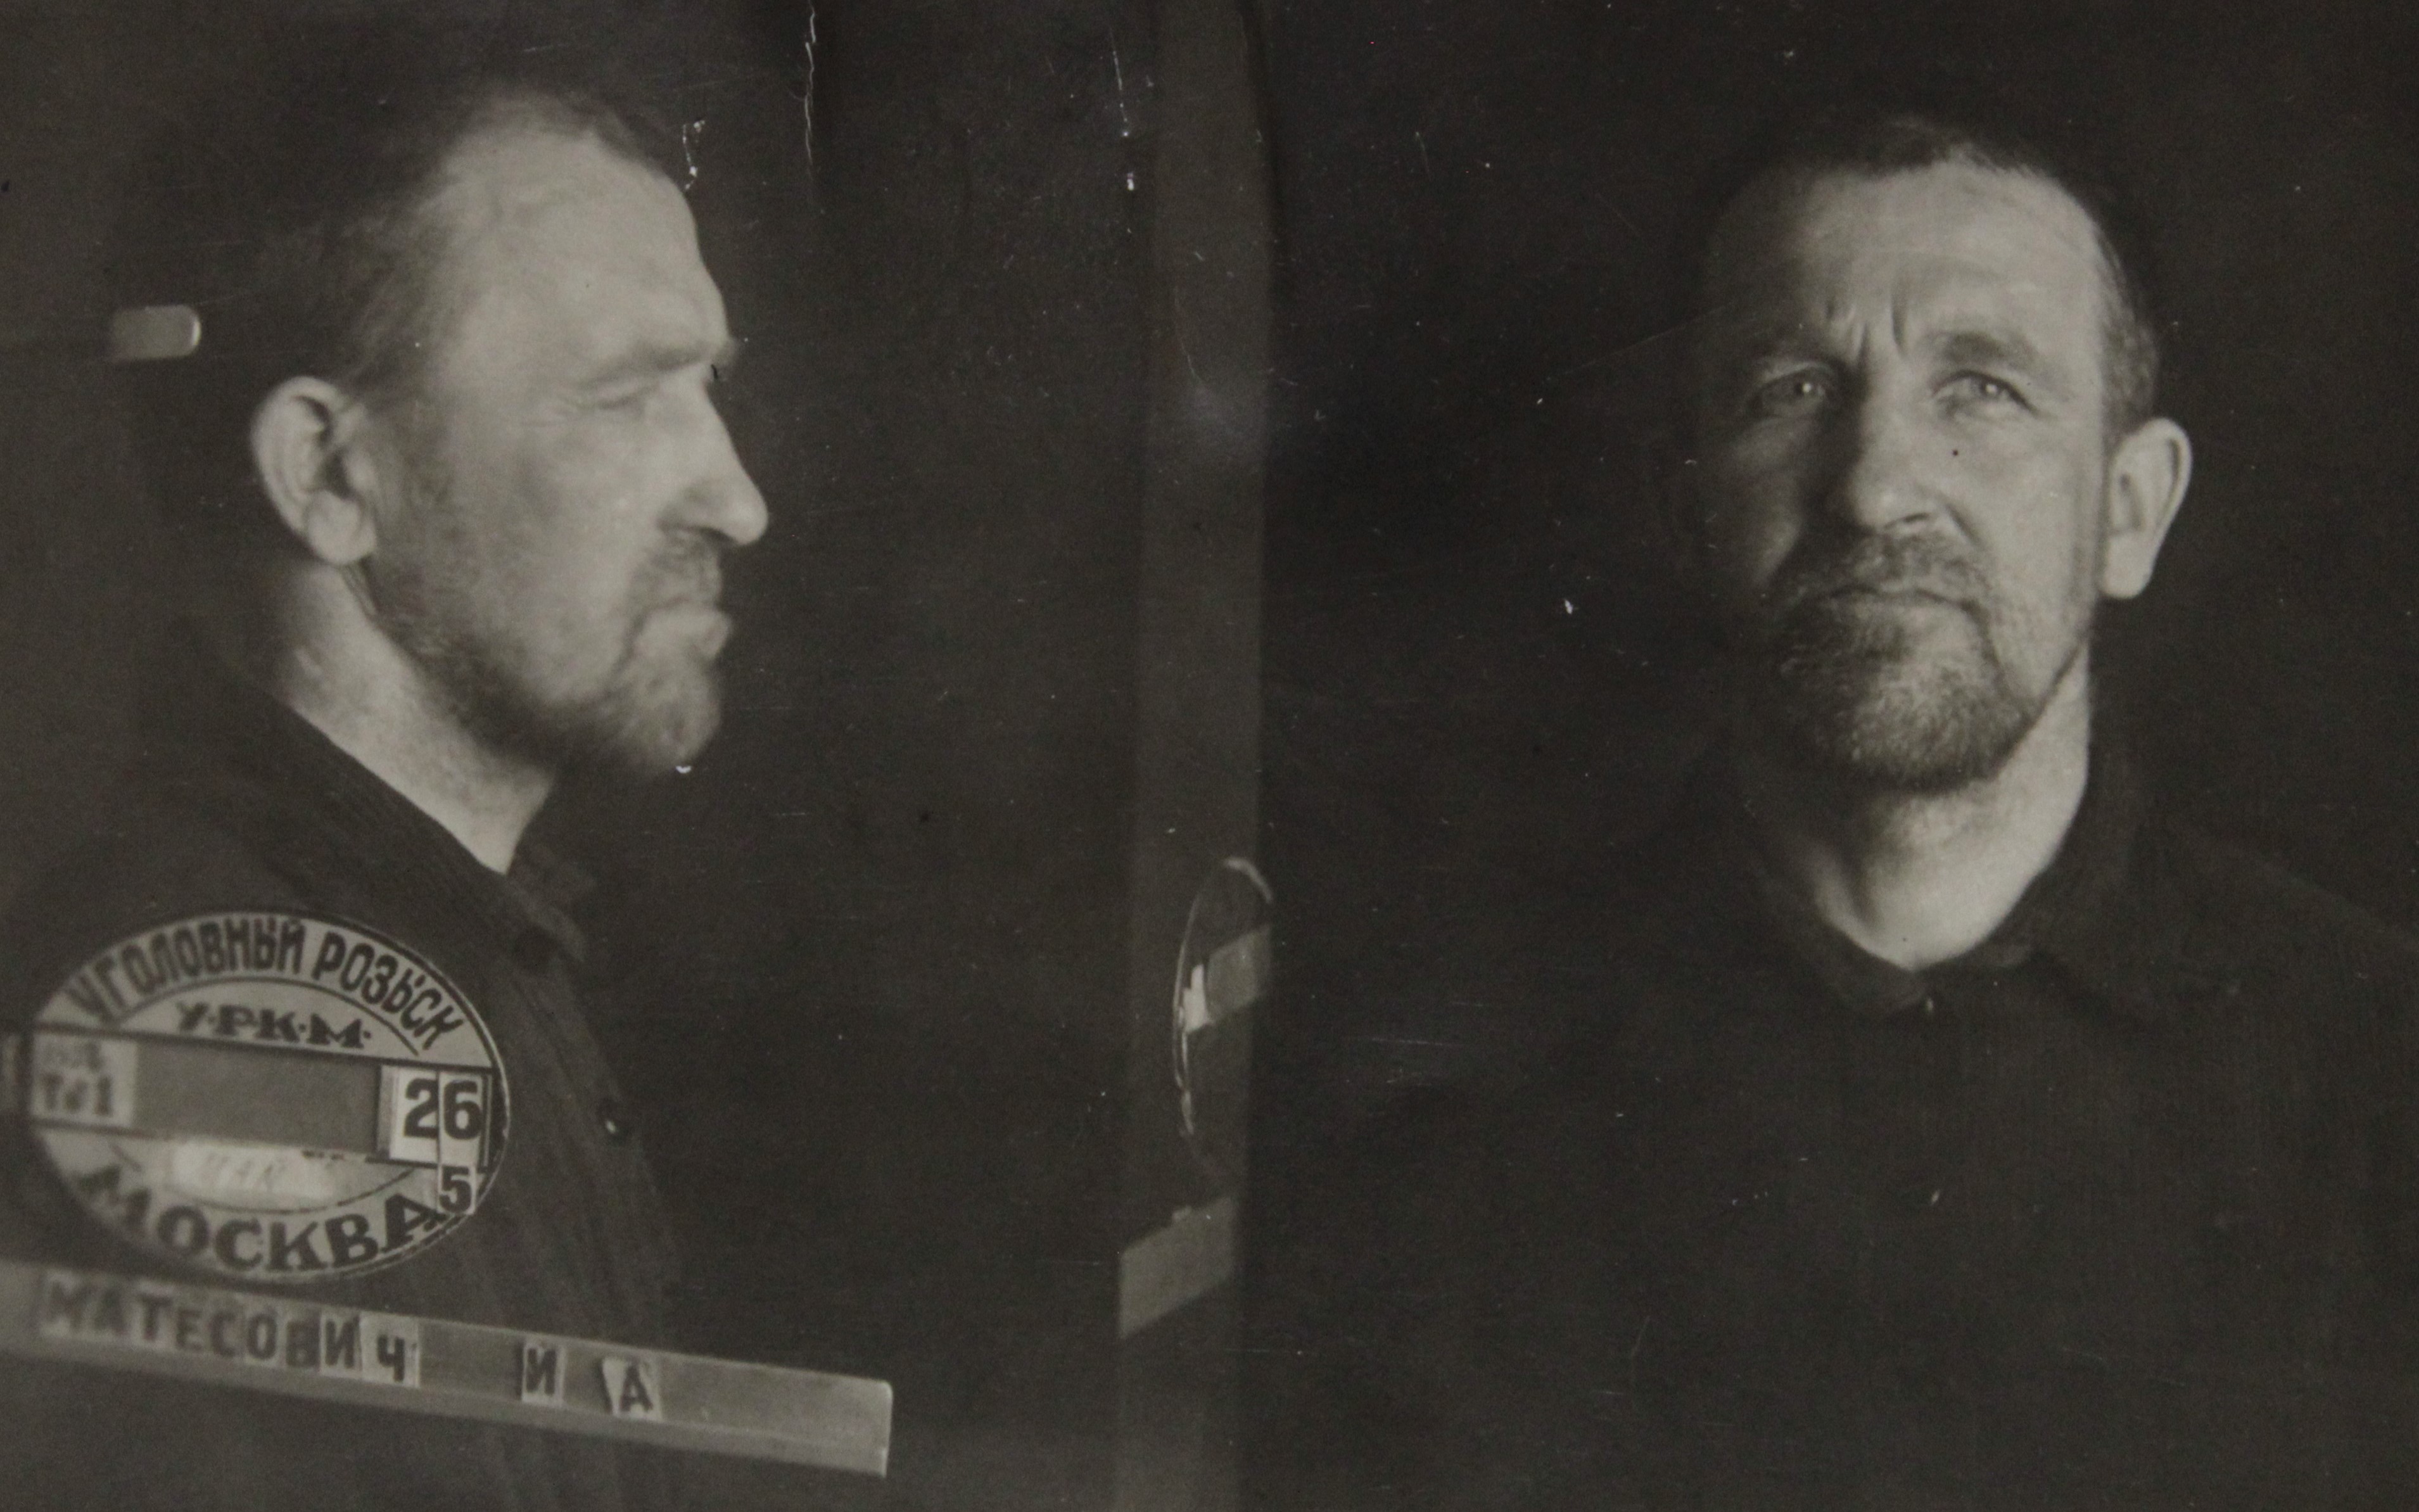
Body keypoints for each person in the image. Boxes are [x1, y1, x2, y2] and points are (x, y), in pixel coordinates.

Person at [1259, 108, 2419, 1509]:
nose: (1874, 490)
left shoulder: (2379, 1075)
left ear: (2129, 510)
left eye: (1981, 390)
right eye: (1791, 390)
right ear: (1689, 506)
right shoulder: (1427, 1083)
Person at [0, 11, 766, 1510]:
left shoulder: (470, 946)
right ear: (332, 475)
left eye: (711, 390)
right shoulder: (219, 1047)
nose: (737, 499)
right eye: (626, 398)